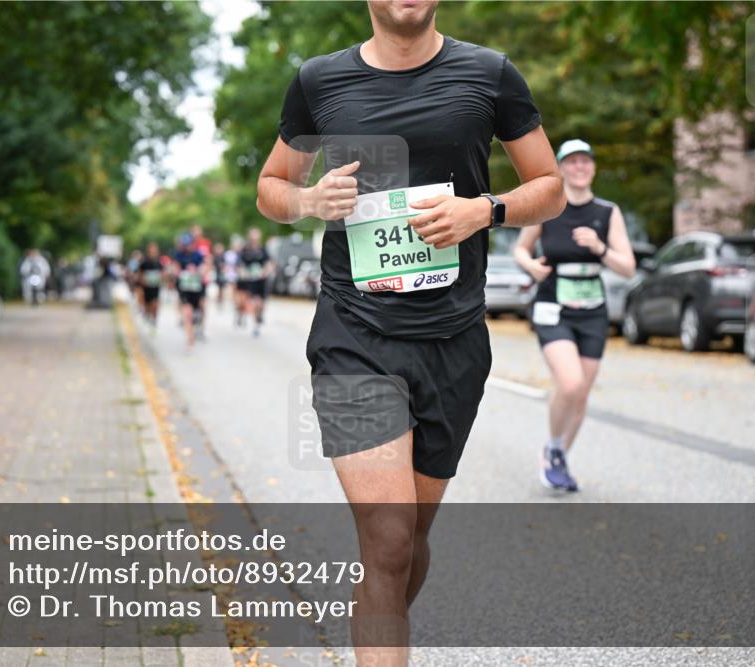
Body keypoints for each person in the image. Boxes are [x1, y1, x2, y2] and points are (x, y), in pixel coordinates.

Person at [255, 2, 565, 663]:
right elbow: (272, 186)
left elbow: (550, 186)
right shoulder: (319, 80)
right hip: (353, 331)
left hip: (454, 340)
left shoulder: (489, 74)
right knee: (390, 538)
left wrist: (486, 210)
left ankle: (379, 608)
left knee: (406, 546)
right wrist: (308, 201)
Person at [513, 139, 635, 492]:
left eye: (586, 162)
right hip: (553, 304)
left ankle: (559, 455)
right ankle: (552, 447)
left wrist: (599, 248)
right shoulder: (549, 207)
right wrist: (531, 267)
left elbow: (628, 267)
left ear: (593, 168)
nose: (579, 168)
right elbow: (522, 249)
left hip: (593, 309)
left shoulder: (607, 212)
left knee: (581, 394)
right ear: (562, 168)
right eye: (572, 162)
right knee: (570, 383)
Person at [237, 228, 275, 337]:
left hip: (262, 281)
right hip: (251, 281)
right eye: (252, 236)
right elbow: (241, 264)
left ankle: (260, 316)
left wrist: (265, 272)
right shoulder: (245, 250)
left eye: (256, 236)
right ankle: (256, 326)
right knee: (255, 302)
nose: (254, 239)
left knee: (261, 304)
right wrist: (244, 272)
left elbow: (269, 263)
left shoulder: (263, 249)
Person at [172, 233, 206, 350]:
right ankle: (189, 341)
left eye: (188, 244)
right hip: (184, 288)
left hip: (197, 289)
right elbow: (175, 268)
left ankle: (199, 326)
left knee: (199, 310)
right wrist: (180, 272)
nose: (187, 247)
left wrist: (197, 271)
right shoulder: (178, 255)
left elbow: (204, 267)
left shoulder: (198, 255)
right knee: (187, 314)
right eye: (184, 245)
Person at [138, 242, 164, 331]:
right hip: (146, 288)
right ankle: (148, 315)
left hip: (155, 287)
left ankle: (154, 319)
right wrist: (143, 281)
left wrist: (161, 279)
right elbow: (140, 275)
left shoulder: (159, 263)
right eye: (151, 252)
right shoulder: (144, 263)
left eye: (154, 252)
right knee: (148, 304)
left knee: (155, 303)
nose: (152, 254)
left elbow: (162, 274)